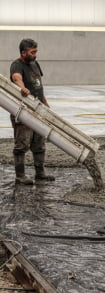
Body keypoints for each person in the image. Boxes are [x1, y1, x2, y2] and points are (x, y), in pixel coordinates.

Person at [10, 38, 55, 184]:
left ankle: (40, 173)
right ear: (23, 53)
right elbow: (16, 78)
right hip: (23, 111)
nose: (35, 55)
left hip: (39, 110)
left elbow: (39, 87)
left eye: (36, 52)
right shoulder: (17, 65)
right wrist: (22, 88)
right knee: (21, 144)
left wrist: (46, 104)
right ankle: (20, 176)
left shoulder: (35, 64)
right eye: (32, 52)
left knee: (39, 144)